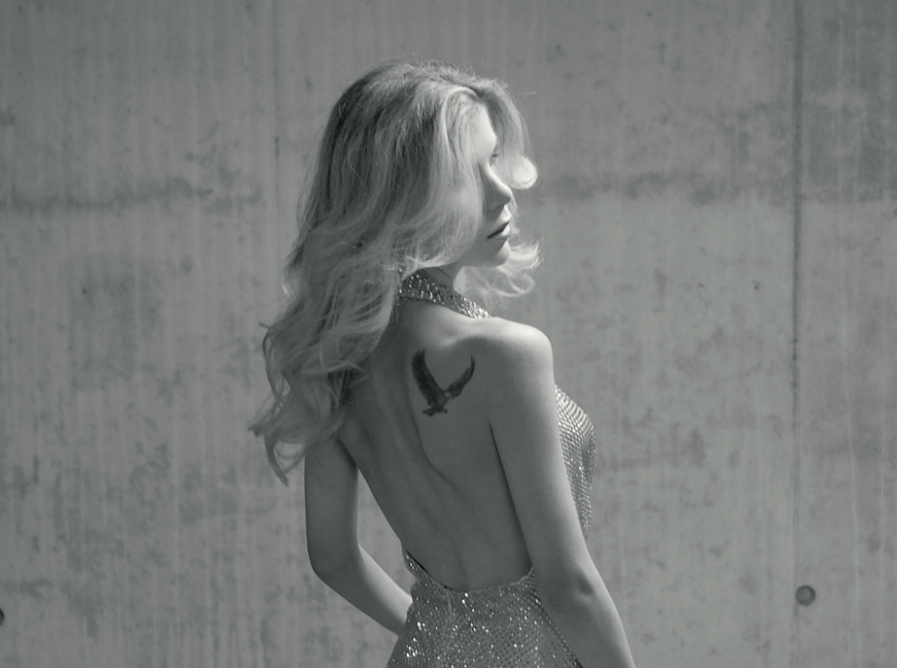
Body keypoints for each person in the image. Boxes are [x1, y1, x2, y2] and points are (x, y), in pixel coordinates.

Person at [251, 60, 636, 668]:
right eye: (467, 173)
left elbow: (333, 559)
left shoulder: (337, 359)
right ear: (402, 197)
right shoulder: (507, 353)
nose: (503, 191)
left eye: (496, 161)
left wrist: (446, 637)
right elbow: (570, 587)